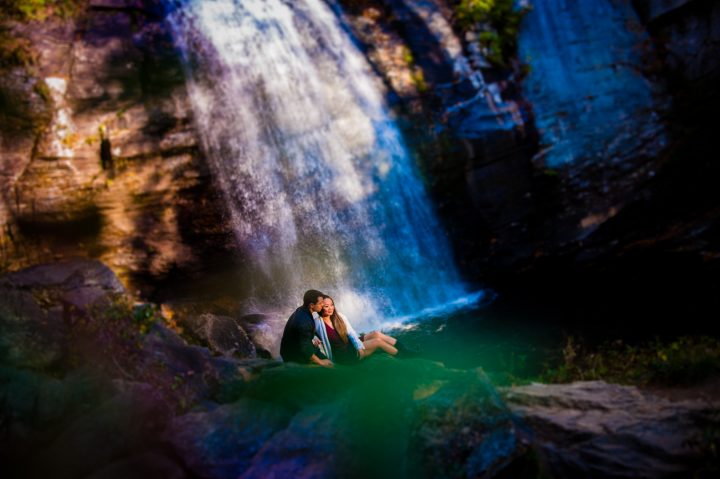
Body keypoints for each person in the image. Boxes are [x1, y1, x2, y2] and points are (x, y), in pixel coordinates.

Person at [315, 296, 416, 365]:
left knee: (376, 334)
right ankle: (403, 357)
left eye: (332, 305)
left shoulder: (339, 316)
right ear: (320, 307)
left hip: (350, 344)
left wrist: (358, 346)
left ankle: (405, 350)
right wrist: (314, 342)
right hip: (345, 355)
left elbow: (351, 333)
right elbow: (306, 337)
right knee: (377, 342)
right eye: (326, 306)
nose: (330, 308)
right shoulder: (317, 323)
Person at [280, 290, 333, 367]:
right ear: (311, 305)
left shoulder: (302, 309)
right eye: (320, 303)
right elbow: (305, 348)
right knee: (329, 366)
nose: (322, 305)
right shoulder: (305, 321)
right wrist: (321, 362)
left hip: (291, 350)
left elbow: (302, 336)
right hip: (294, 357)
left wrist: (314, 339)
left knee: (327, 359)